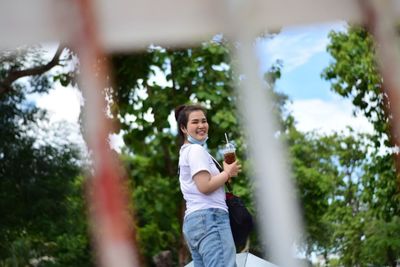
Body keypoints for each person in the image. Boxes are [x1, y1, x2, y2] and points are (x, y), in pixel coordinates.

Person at [175, 104, 241, 267]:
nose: (201, 126)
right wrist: (227, 173)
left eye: (204, 121)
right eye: (195, 122)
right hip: (210, 218)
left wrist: (225, 173)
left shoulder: (185, 152)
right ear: (183, 127)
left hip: (195, 222)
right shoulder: (196, 151)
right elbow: (204, 186)